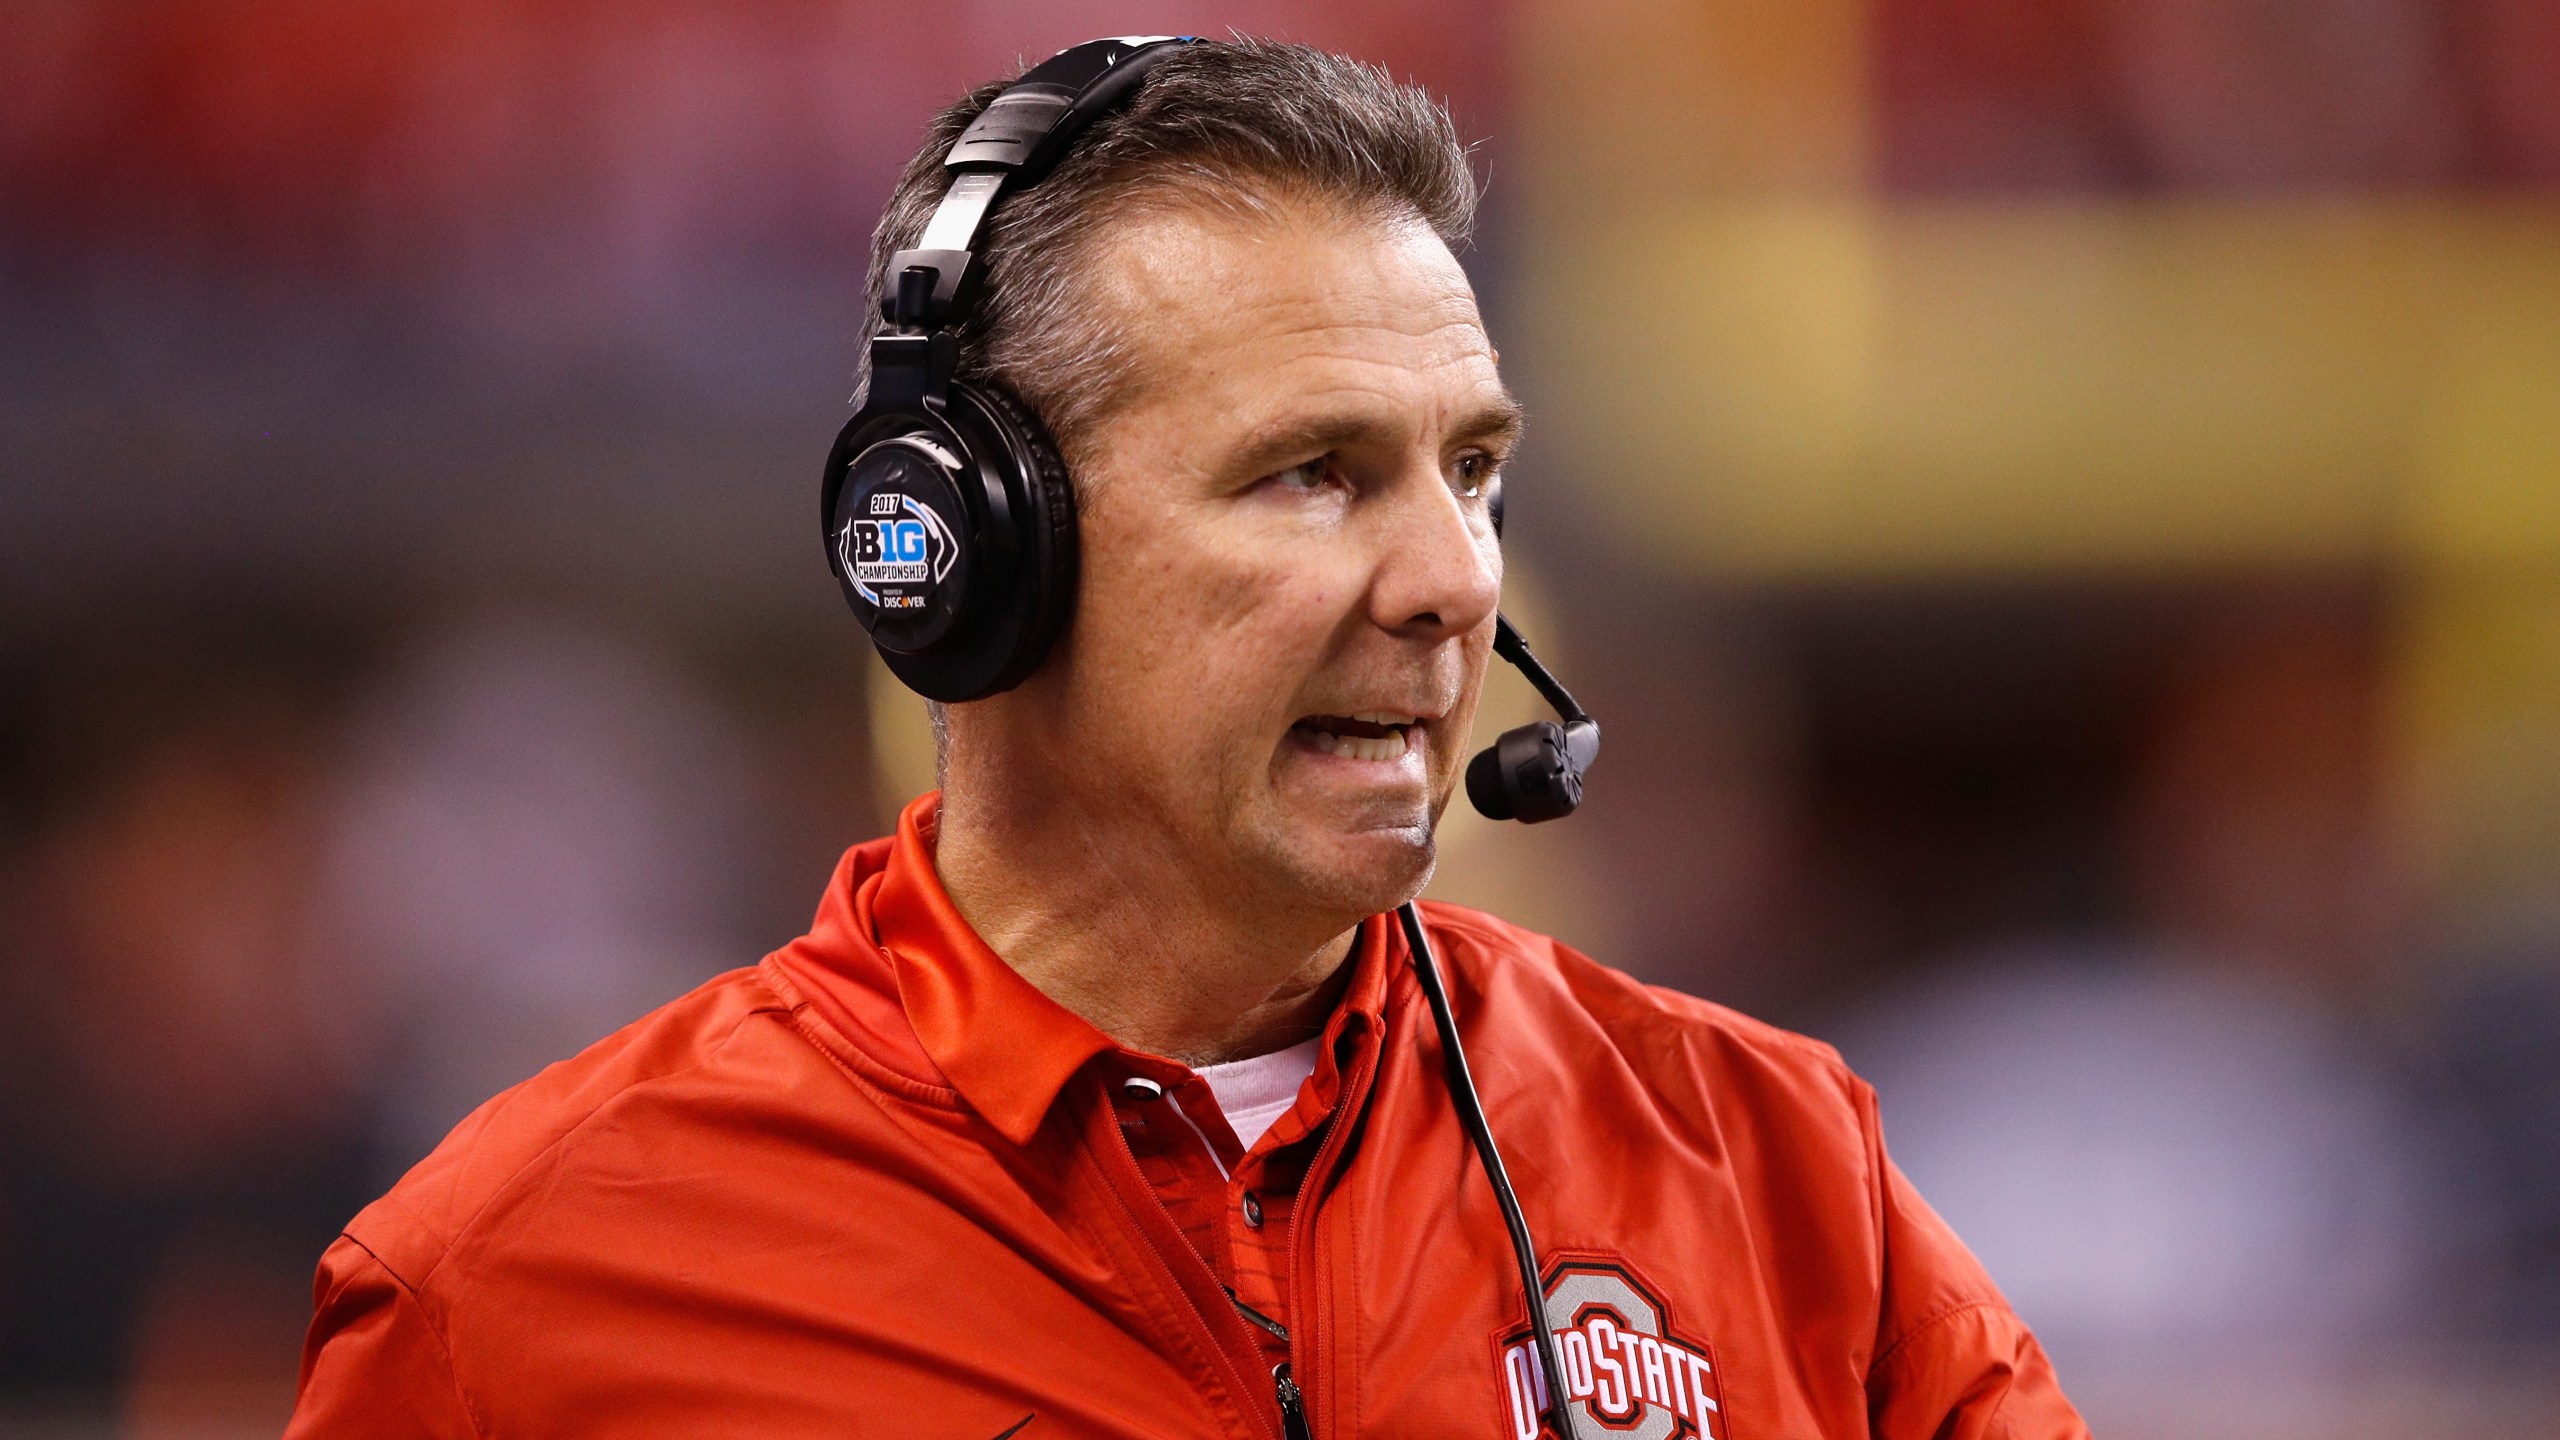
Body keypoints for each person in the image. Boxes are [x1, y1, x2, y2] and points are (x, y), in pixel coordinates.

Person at [286, 38, 2086, 1439]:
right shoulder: (521, 1289)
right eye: (1314, 474)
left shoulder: (1773, 1170)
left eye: (1475, 473)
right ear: (974, 548)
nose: (1452, 582)